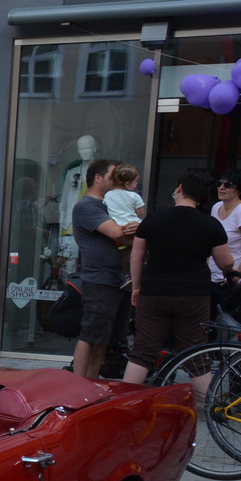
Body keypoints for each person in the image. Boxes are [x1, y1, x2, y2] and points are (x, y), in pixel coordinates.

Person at [124, 169, 230, 386]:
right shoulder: (210, 224)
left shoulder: (153, 220)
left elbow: (136, 256)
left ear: (180, 188)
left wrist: (137, 287)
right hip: (194, 295)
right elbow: (225, 262)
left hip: (154, 292)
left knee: (143, 350)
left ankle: (122, 402)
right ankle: (209, 407)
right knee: (195, 352)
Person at [69, 158, 136, 380]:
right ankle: (79, 383)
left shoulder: (112, 202)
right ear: (98, 178)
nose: (119, 180)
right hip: (100, 279)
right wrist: (137, 229)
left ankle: (92, 381)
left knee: (103, 339)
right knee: (90, 334)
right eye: (113, 175)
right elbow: (118, 233)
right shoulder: (86, 206)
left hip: (120, 279)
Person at [209, 169, 241, 300]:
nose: (221, 188)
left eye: (228, 185)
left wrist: (237, 275)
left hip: (234, 283)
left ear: (240, 190)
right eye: (219, 183)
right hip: (214, 278)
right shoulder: (216, 207)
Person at [103, 164, 146, 232]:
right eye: (135, 182)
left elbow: (106, 208)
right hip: (133, 225)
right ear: (127, 184)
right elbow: (140, 213)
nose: (136, 184)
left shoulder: (108, 195)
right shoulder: (135, 196)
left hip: (115, 225)